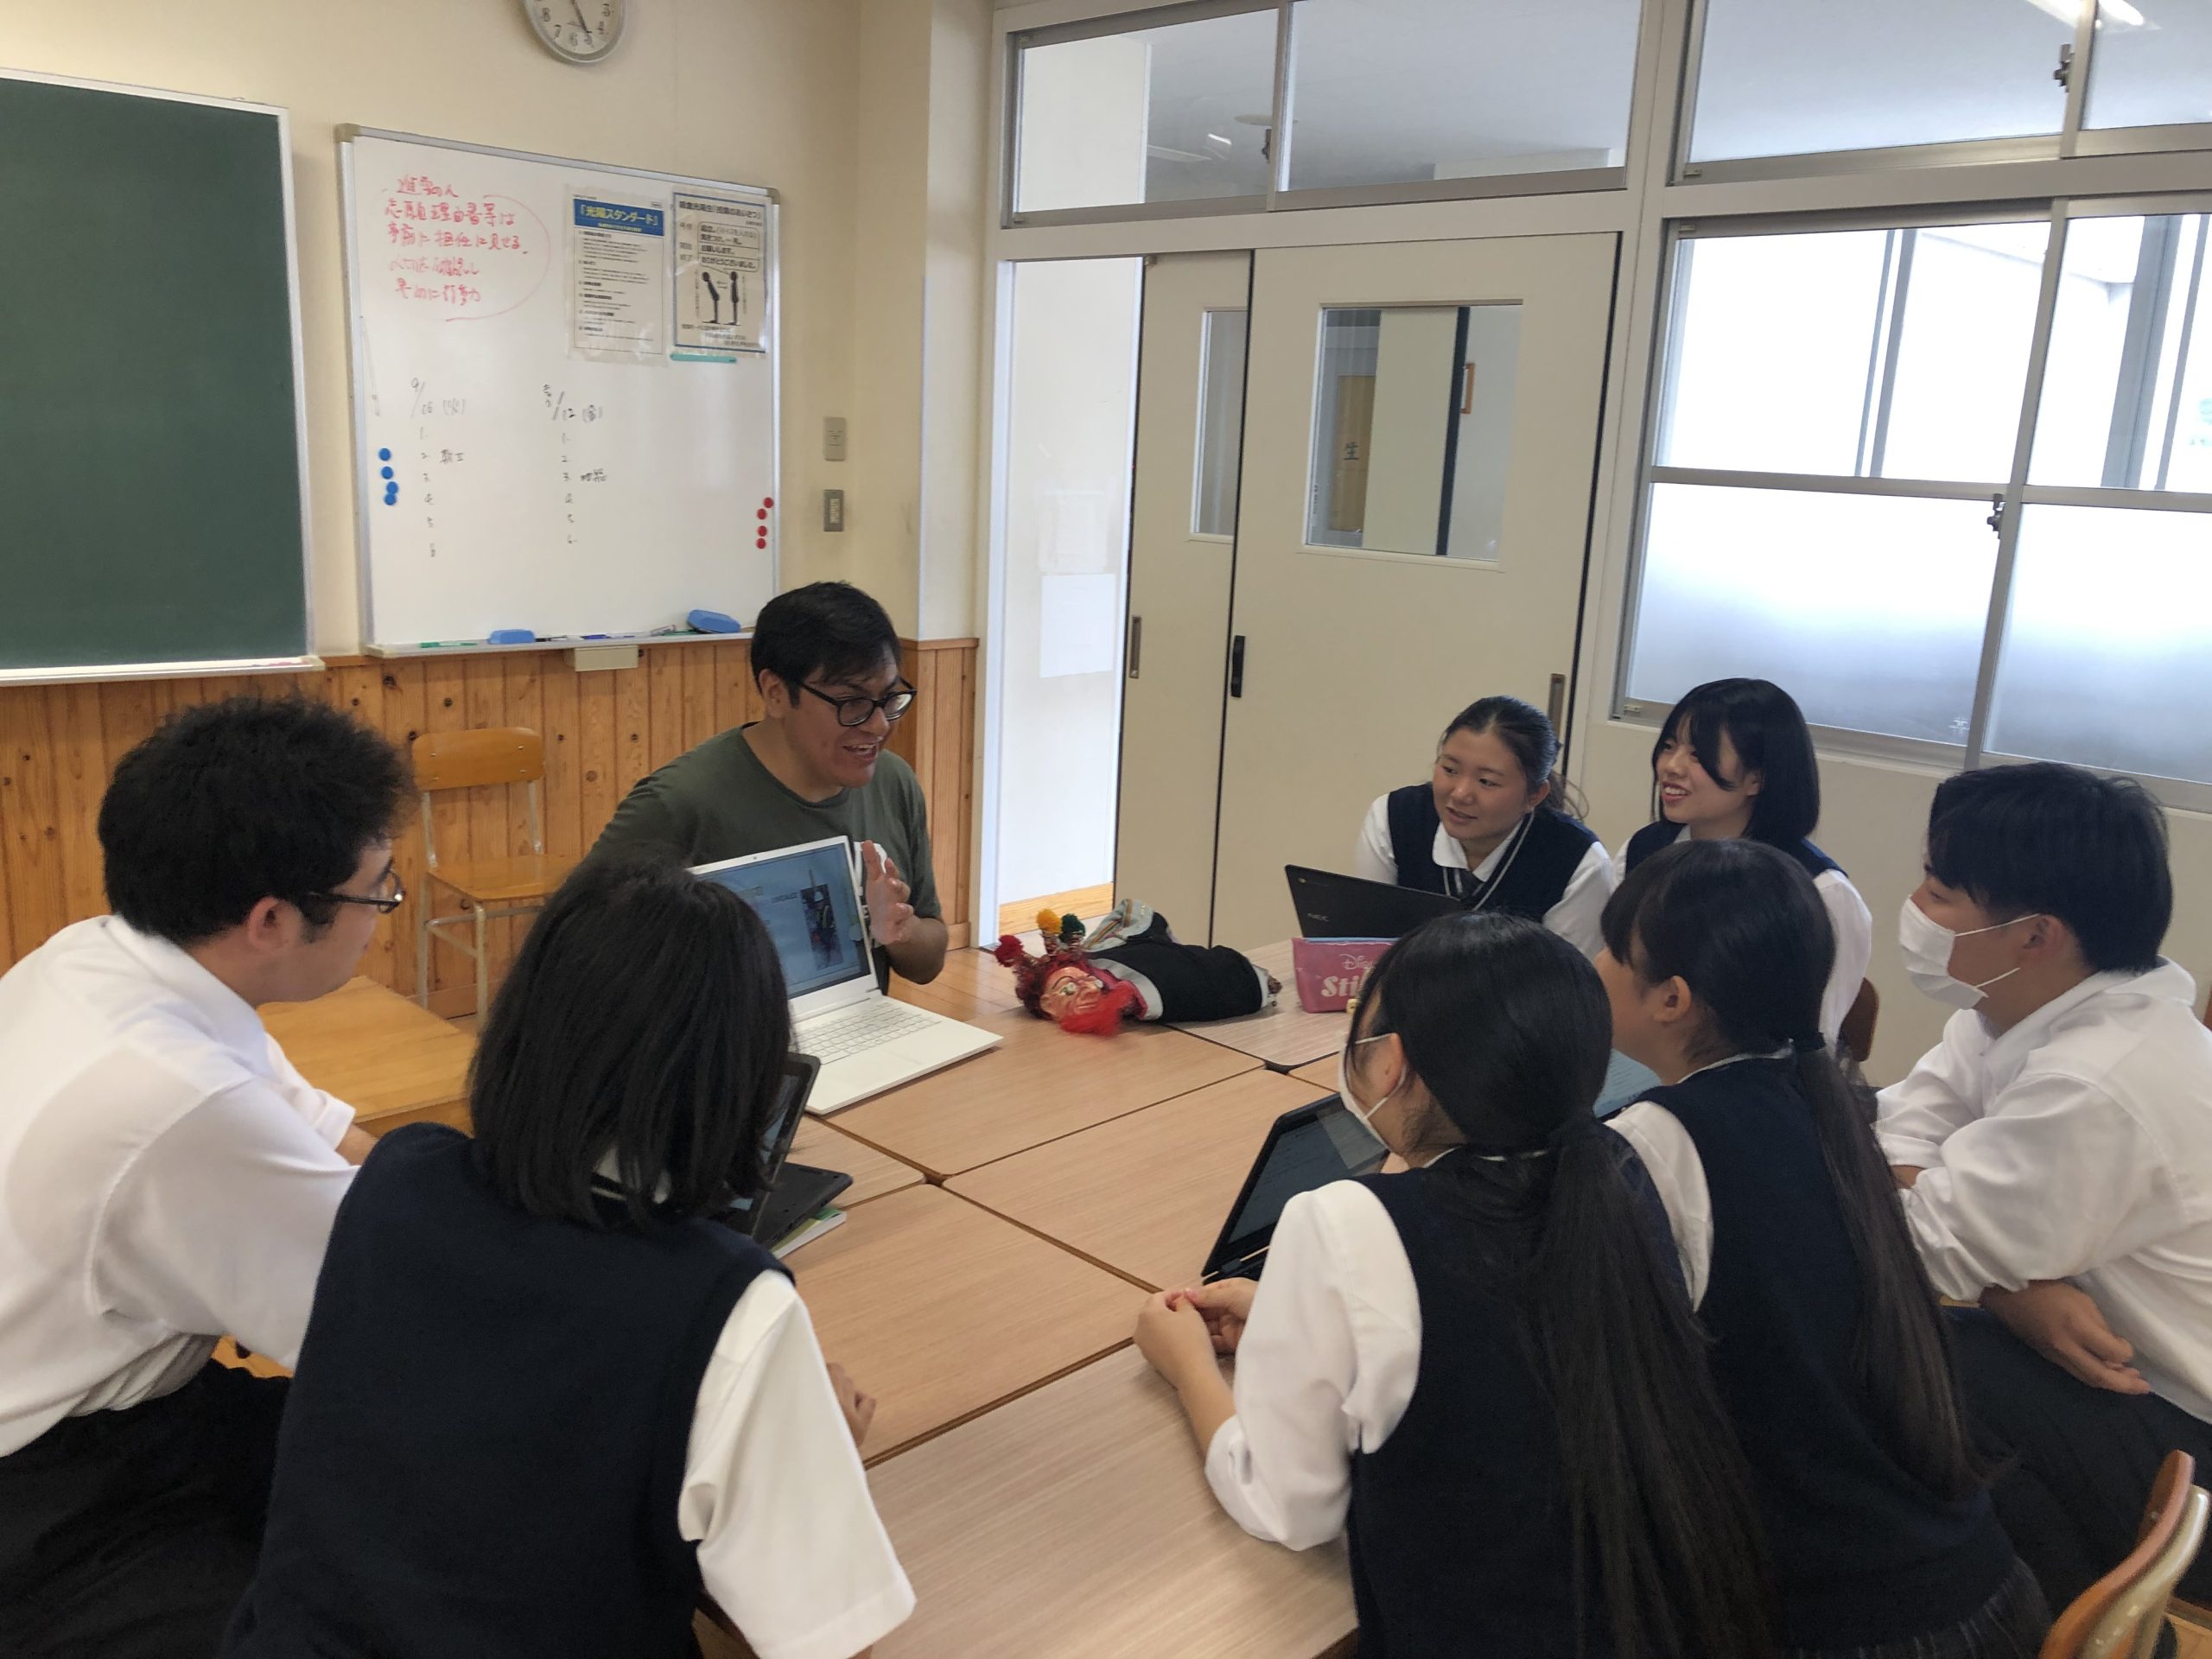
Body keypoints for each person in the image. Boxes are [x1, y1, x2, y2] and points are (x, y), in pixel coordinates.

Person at [223, 858, 912, 1658]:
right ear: (744, 1078)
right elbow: (831, 1640)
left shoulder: (398, 1178)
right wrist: (821, 1455)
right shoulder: (727, 1308)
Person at [1135, 911, 1778, 1658]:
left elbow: (1291, 1507)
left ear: (1391, 1061)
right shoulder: (1624, 1171)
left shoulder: (1345, 1220)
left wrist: (1187, 1365)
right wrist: (1295, 1322)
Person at [0, 696, 410, 1658]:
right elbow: (391, 1323)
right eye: (378, 892)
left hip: (124, 1407)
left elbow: (335, 1148)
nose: (382, 916)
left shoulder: (106, 955)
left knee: (404, 1481)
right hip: (48, 1494)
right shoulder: (177, 1103)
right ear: (272, 920)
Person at [1599, 838, 2046, 1656]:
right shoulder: (1827, 1102)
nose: (1594, 966)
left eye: (1612, 951)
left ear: (1671, 998)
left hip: (1845, 1625)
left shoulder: (1657, 1143)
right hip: (1979, 1593)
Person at [1875, 762, 2212, 1620]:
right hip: (2136, 1391)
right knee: (1943, 1347)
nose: (1916, 906)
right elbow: (1892, 1134)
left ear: (2034, 936)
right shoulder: (2015, 1009)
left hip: (2190, 1448)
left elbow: (1916, 1241)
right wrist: (2013, 1289)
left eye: (1939, 889)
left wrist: (1995, 1283)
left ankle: (2073, 1626)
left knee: (1922, 1360)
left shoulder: (2099, 1080)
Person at [588, 581, 946, 988]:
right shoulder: (677, 803)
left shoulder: (894, 782)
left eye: (889, 698)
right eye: (852, 703)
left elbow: (928, 963)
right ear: (776, 693)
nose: (879, 725)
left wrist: (900, 929)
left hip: (857, 1023)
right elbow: (576, 951)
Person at [1615, 677, 1871, 1043]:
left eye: (1698, 755)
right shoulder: (1644, 850)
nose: (1671, 766)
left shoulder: (1821, 892)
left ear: (1756, 778)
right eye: (1669, 746)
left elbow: (1813, 1040)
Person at [1350, 694, 1615, 957]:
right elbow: (1365, 947)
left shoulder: (1578, 864)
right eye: (1450, 770)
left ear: (1534, 795)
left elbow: (1569, 979)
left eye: (1487, 781)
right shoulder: (1394, 818)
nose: (1460, 794)